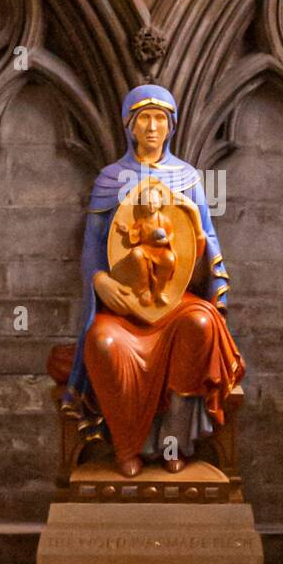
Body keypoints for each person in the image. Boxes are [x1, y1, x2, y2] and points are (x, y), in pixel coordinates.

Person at [61, 85, 244, 478]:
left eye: (160, 118)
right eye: (144, 117)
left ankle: (172, 443)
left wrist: (196, 239)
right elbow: (94, 243)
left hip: (175, 299)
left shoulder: (187, 177)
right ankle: (127, 447)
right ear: (129, 124)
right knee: (104, 343)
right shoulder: (111, 179)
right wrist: (99, 281)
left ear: (171, 125)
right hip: (126, 301)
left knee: (200, 324)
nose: (152, 126)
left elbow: (206, 240)